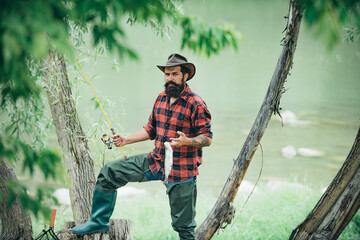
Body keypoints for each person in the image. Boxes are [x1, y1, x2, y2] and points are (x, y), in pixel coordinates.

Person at [72, 53, 213, 239]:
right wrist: (126, 139)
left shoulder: (196, 103)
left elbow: (207, 138)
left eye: (175, 74)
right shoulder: (161, 98)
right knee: (109, 172)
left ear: (185, 76)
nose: (170, 78)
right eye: (167, 74)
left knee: (184, 228)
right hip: (155, 162)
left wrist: (188, 141)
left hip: (182, 172)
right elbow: (151, 129)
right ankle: (99, 221)